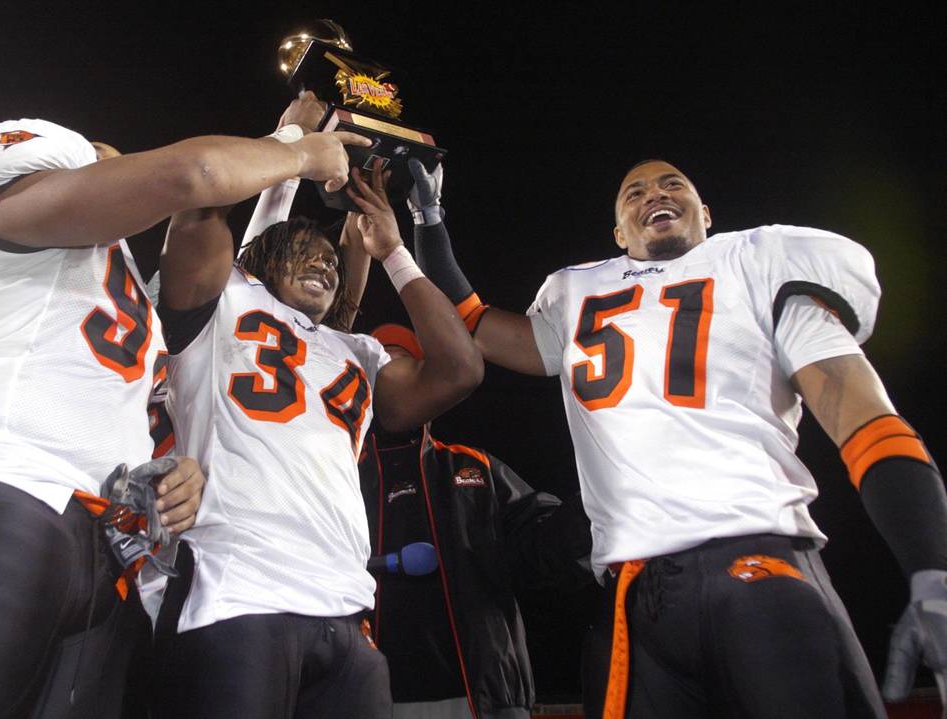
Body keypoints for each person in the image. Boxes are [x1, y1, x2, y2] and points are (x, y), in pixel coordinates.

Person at [406, 158, 947, 719]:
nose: (654, 195)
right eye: (633, 193)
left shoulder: (759, 261)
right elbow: (471, 321)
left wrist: (931, 566)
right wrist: (427, 218)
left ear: (705, 213)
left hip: (756, 563)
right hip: (636, 596)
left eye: (672, 185)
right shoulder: (576, 293)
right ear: (619, 233)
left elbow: (864, 419)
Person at [0, 109, 367, 718]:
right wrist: (296, 150)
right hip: (0, 488)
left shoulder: (116, 279)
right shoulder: (11, 178)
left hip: (106, 544)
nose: (113, 153)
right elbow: (195, 175)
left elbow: (118, 402)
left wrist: (171, 470)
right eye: (96, 150)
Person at [148, 127, 484, 716]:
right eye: (304, 252)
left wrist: (392, 253)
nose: (325, 266)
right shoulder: (221, 304)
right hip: (235, 592)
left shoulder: (356, 350)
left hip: (344, 607)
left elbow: (459, 370)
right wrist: (293, 140)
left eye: (331, 259)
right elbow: (202, 202)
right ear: (259, 263)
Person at [359, 322, 592, 719]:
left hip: (487, 698)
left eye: (408, 368)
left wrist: (592, 504)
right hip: (370, 699)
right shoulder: (338, 473)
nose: (397, 383)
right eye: (382, 373)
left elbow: (540, 551)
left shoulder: (474, 467)